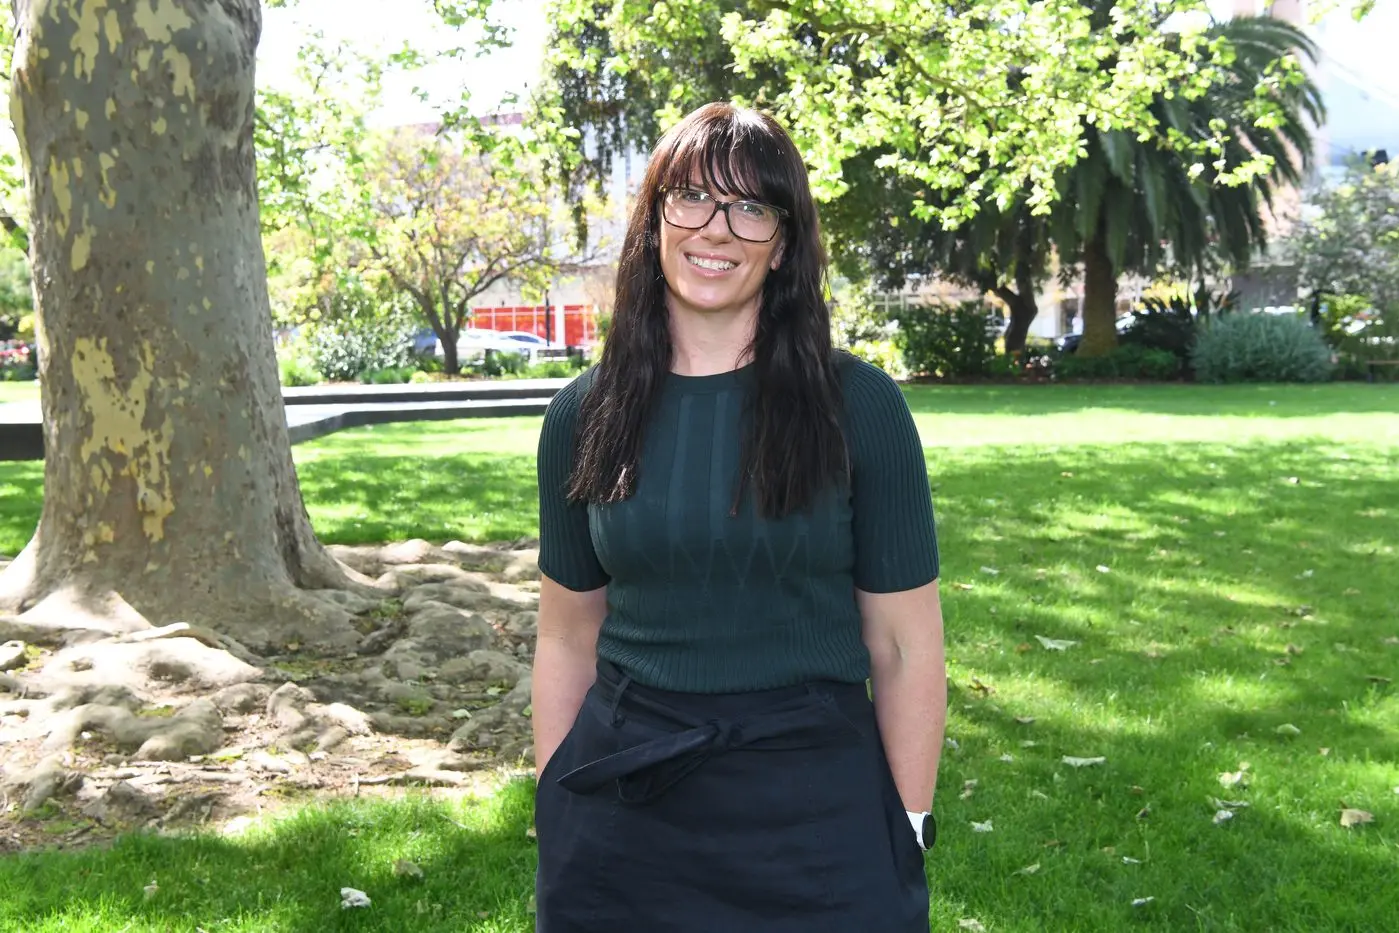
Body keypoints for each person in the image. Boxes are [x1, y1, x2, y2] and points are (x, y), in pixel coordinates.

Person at [532, 101, 946, 932]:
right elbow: (567, 633)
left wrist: (906, 822)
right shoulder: (583, 414)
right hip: (625, 799)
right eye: (690, 198)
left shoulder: (857, 406)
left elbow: (904, 644)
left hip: (814, 802)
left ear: (782, 243)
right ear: (654, 222)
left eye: (750, 206)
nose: (715, 229)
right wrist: (557, 804)